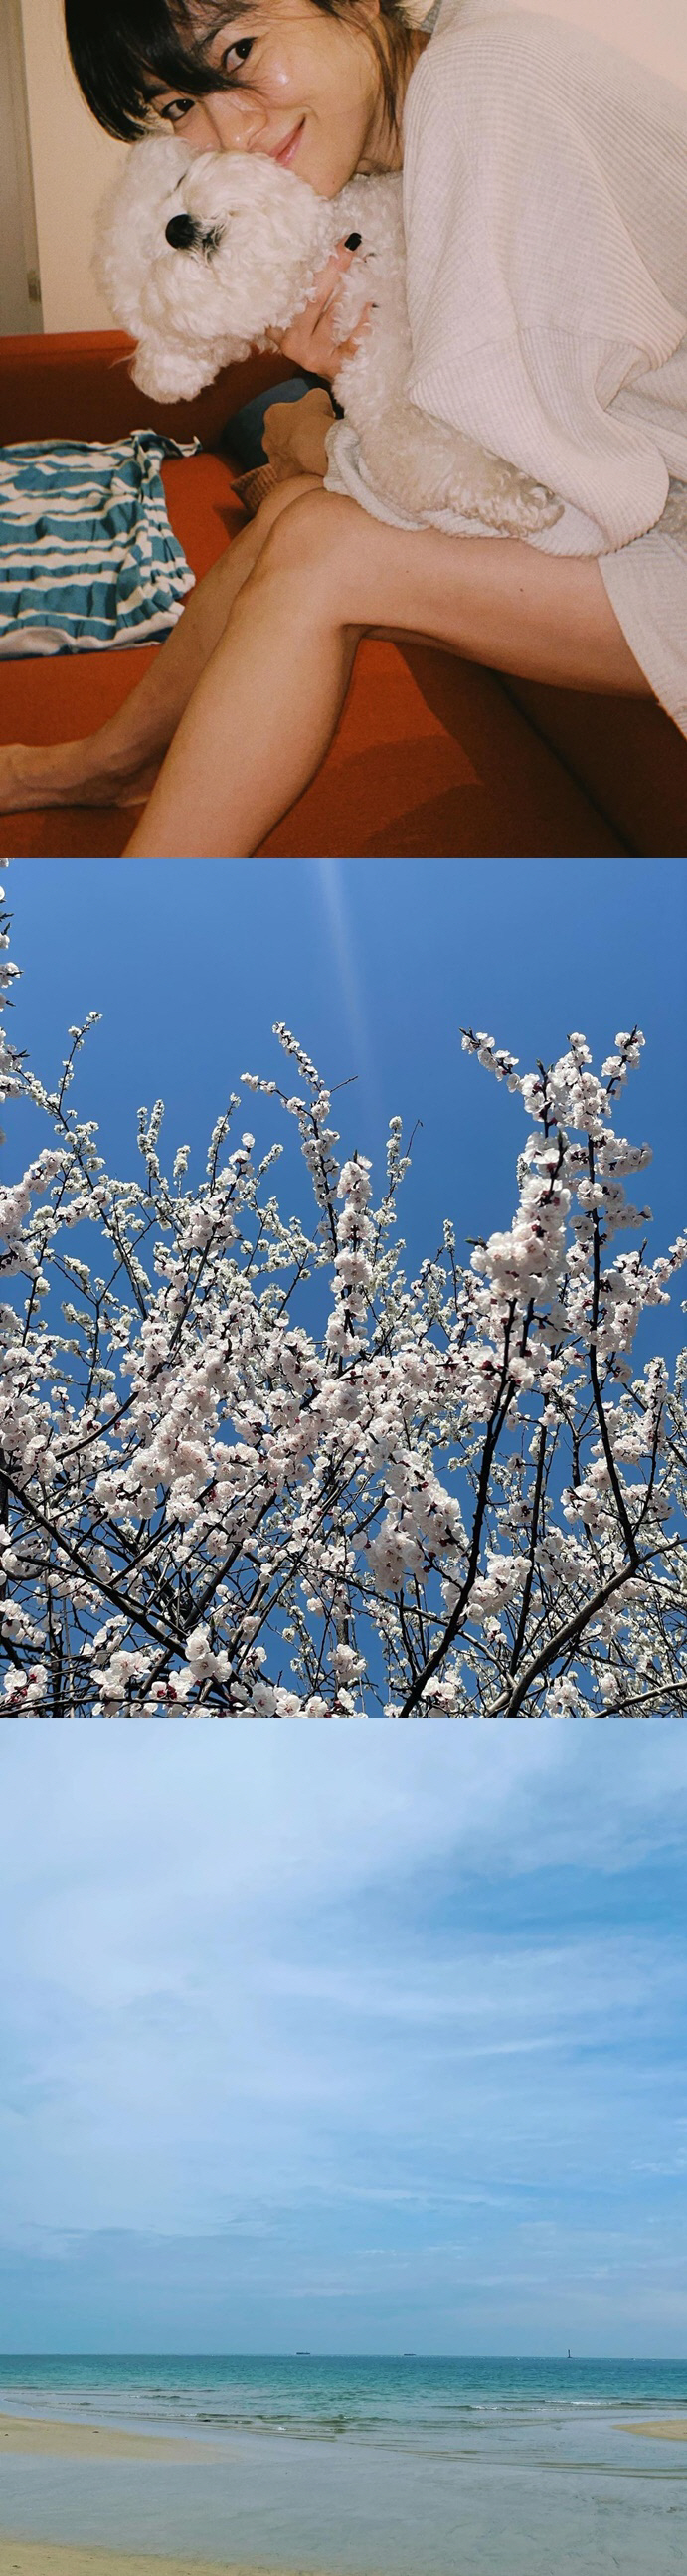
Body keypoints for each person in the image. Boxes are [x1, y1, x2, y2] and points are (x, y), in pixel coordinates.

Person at [2, 0, 686, 856]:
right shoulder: (386, 142)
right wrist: (329, 410)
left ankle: (142, 938)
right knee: (300, 517)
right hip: (645, 505)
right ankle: (107, 764)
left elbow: (539, 493)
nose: (226, 133)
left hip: (652, 521)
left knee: (326, 545)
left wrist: (321, 436)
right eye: (178, 106)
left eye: (239, 50)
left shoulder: (484, 84)